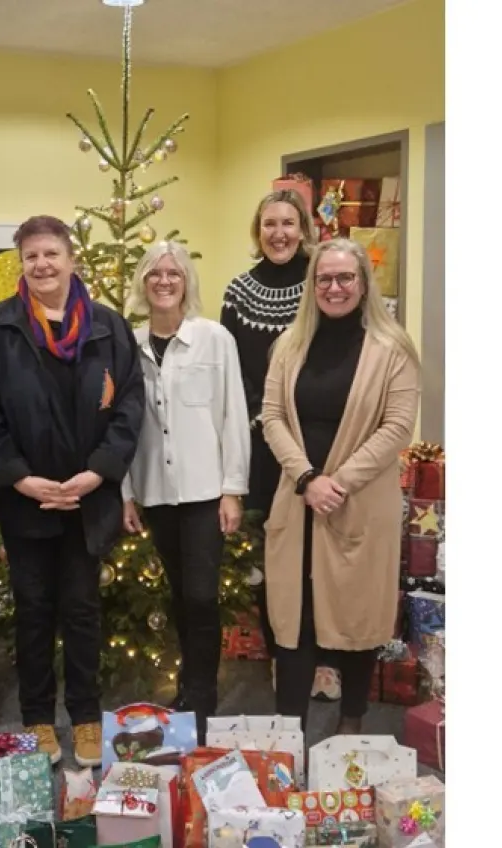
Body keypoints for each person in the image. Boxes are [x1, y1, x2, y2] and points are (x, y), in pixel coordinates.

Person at [0, 215, 145, 766]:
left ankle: (87, 716)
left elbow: (129, 405)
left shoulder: (108, 328)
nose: (42, 265)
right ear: (21, 264)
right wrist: (20, 477)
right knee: (34, 610)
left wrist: (98, 472)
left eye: (51, 254)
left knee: (83, 610)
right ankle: (38, 717)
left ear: (71, 259)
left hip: (87, 498)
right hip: (26, 498)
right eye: (31, 256)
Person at [258, 238, 420, 733]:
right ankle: (289, 734)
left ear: (364, 283)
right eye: (324, 278)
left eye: (345, 277)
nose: (334, 287)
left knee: (356, 618)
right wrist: (307, 479)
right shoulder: (289, 346)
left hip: (360, 505)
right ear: (312, 286)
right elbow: (271, 416)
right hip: (299, 502)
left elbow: (397, 427)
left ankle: (351, 725)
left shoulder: (393, 350)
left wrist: (338, 483)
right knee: (295, 621)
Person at [119, 241, 249, 738]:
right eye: (155, 273)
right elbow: (120, 426)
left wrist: (232, 488)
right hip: (155, 491)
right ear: (143, 282)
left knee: (200, 596)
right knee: (178, 594)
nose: (164, 281)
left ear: (186, 281)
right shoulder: (127, 345)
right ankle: (189, 689)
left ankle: (202, 696)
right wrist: (125, 492)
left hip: (204, 492)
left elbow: (233, 414)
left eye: (173, 273)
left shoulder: (214, 340)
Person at [220, 189, 336, 693]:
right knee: (274, 556)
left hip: (321, 441)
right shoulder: (238, 292)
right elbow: (232, 371)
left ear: (303, 229)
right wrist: (267, 420)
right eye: (270, 224)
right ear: (258, 230)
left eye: (288, 223)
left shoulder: (324, 283)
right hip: (263, 445)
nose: (279, 233)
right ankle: (282, 653)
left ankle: (325, 658)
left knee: (324, 553)